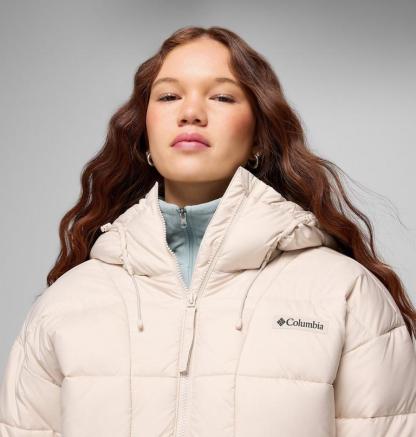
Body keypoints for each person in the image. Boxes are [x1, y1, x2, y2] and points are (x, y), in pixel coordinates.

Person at [1, 25, 415, 437]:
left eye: (221, 97)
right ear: (144, 133)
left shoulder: (344, 293)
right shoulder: (67, 304)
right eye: (168, 96)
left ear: (259, 138)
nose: (191, 113)